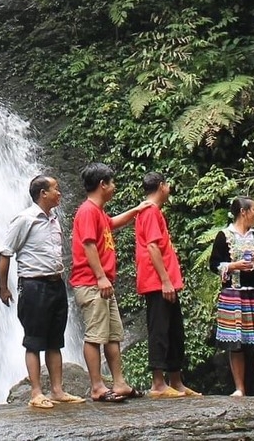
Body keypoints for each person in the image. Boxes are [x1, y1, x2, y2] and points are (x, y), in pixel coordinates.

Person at [0, 174, 85, 409]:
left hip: (56, 284)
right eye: (56, 189)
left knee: (55, 340)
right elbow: (5, 252)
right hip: (33, 285)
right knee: (34, 341)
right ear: (43, 193)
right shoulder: (25, 219)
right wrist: (3, 287)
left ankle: (57, 390)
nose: (60, 193)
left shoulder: (53, 219)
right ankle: (36, 392)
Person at [71, 162, 148, 403]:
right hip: (92, 282)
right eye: (112, 183)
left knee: (113, 334)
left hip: (103, 284)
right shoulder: (87, 211)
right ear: (102, 184)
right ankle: (96, 386)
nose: (114, 187)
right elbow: (88, 244)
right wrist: (101, 276)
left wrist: (137, 210)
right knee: (95, 335)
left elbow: (112, 223)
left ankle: (119, 383)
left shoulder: (99, 213)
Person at [134, 172, 202, 399]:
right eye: (168, 183)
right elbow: (153, 247)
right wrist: (164, 280)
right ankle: (158, 384)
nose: (169, 187)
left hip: (166, 281)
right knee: (160, 330)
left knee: (175, 330)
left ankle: (176, 381)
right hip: (157, 282)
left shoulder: (152, 211)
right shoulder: (151, 211)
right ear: (162, 186)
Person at [209, 196, 254, 397]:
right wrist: (233, 266)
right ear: (244, 212)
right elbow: (214, 264)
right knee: (236, 342)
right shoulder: (224, 236)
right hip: (234, 295)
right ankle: (239, 388)